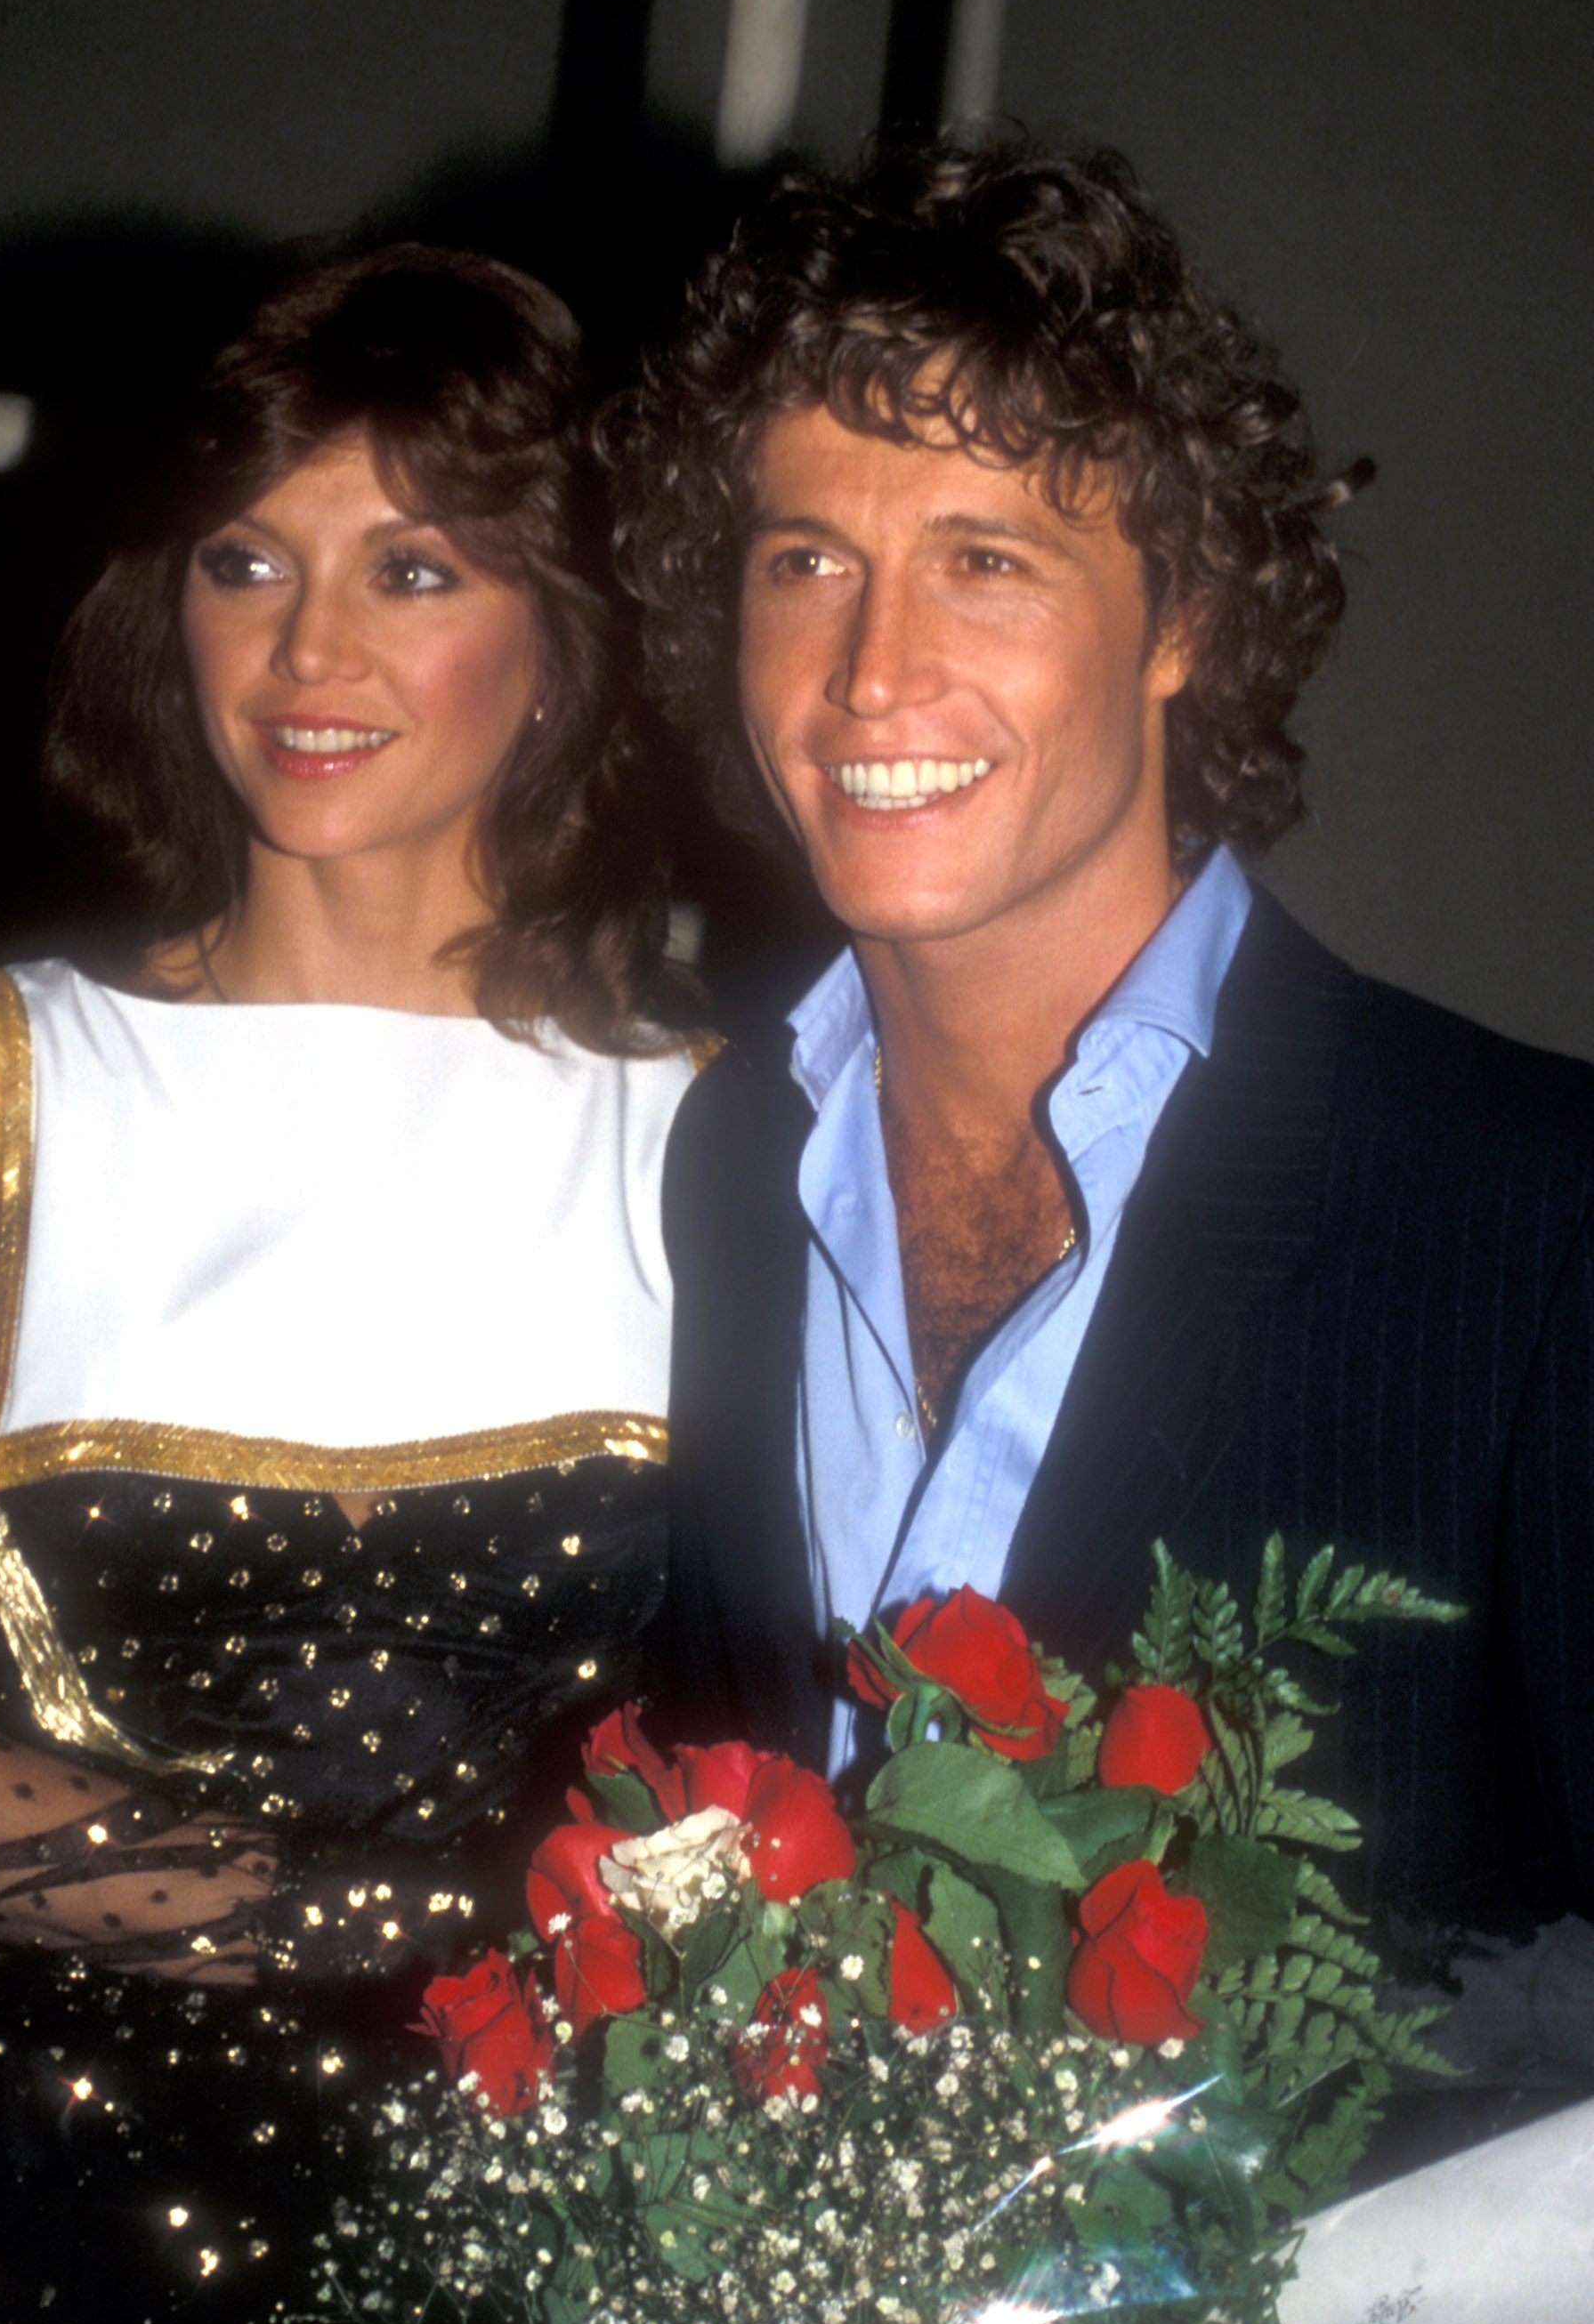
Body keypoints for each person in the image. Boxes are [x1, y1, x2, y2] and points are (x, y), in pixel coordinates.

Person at [0, 243, 702, 2324]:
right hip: (11, 2232)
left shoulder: (732, 1142)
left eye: (411, 569)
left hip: (520, 2252)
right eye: (249, 562)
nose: (311, 653)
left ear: (559, 640)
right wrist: (396, 1920)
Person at [609, 134, 1594, 1947]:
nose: (871, 668)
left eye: (986, 560)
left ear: (1182, 624)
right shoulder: (726, 1161)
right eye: (806, 561)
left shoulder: (1533, 1218)